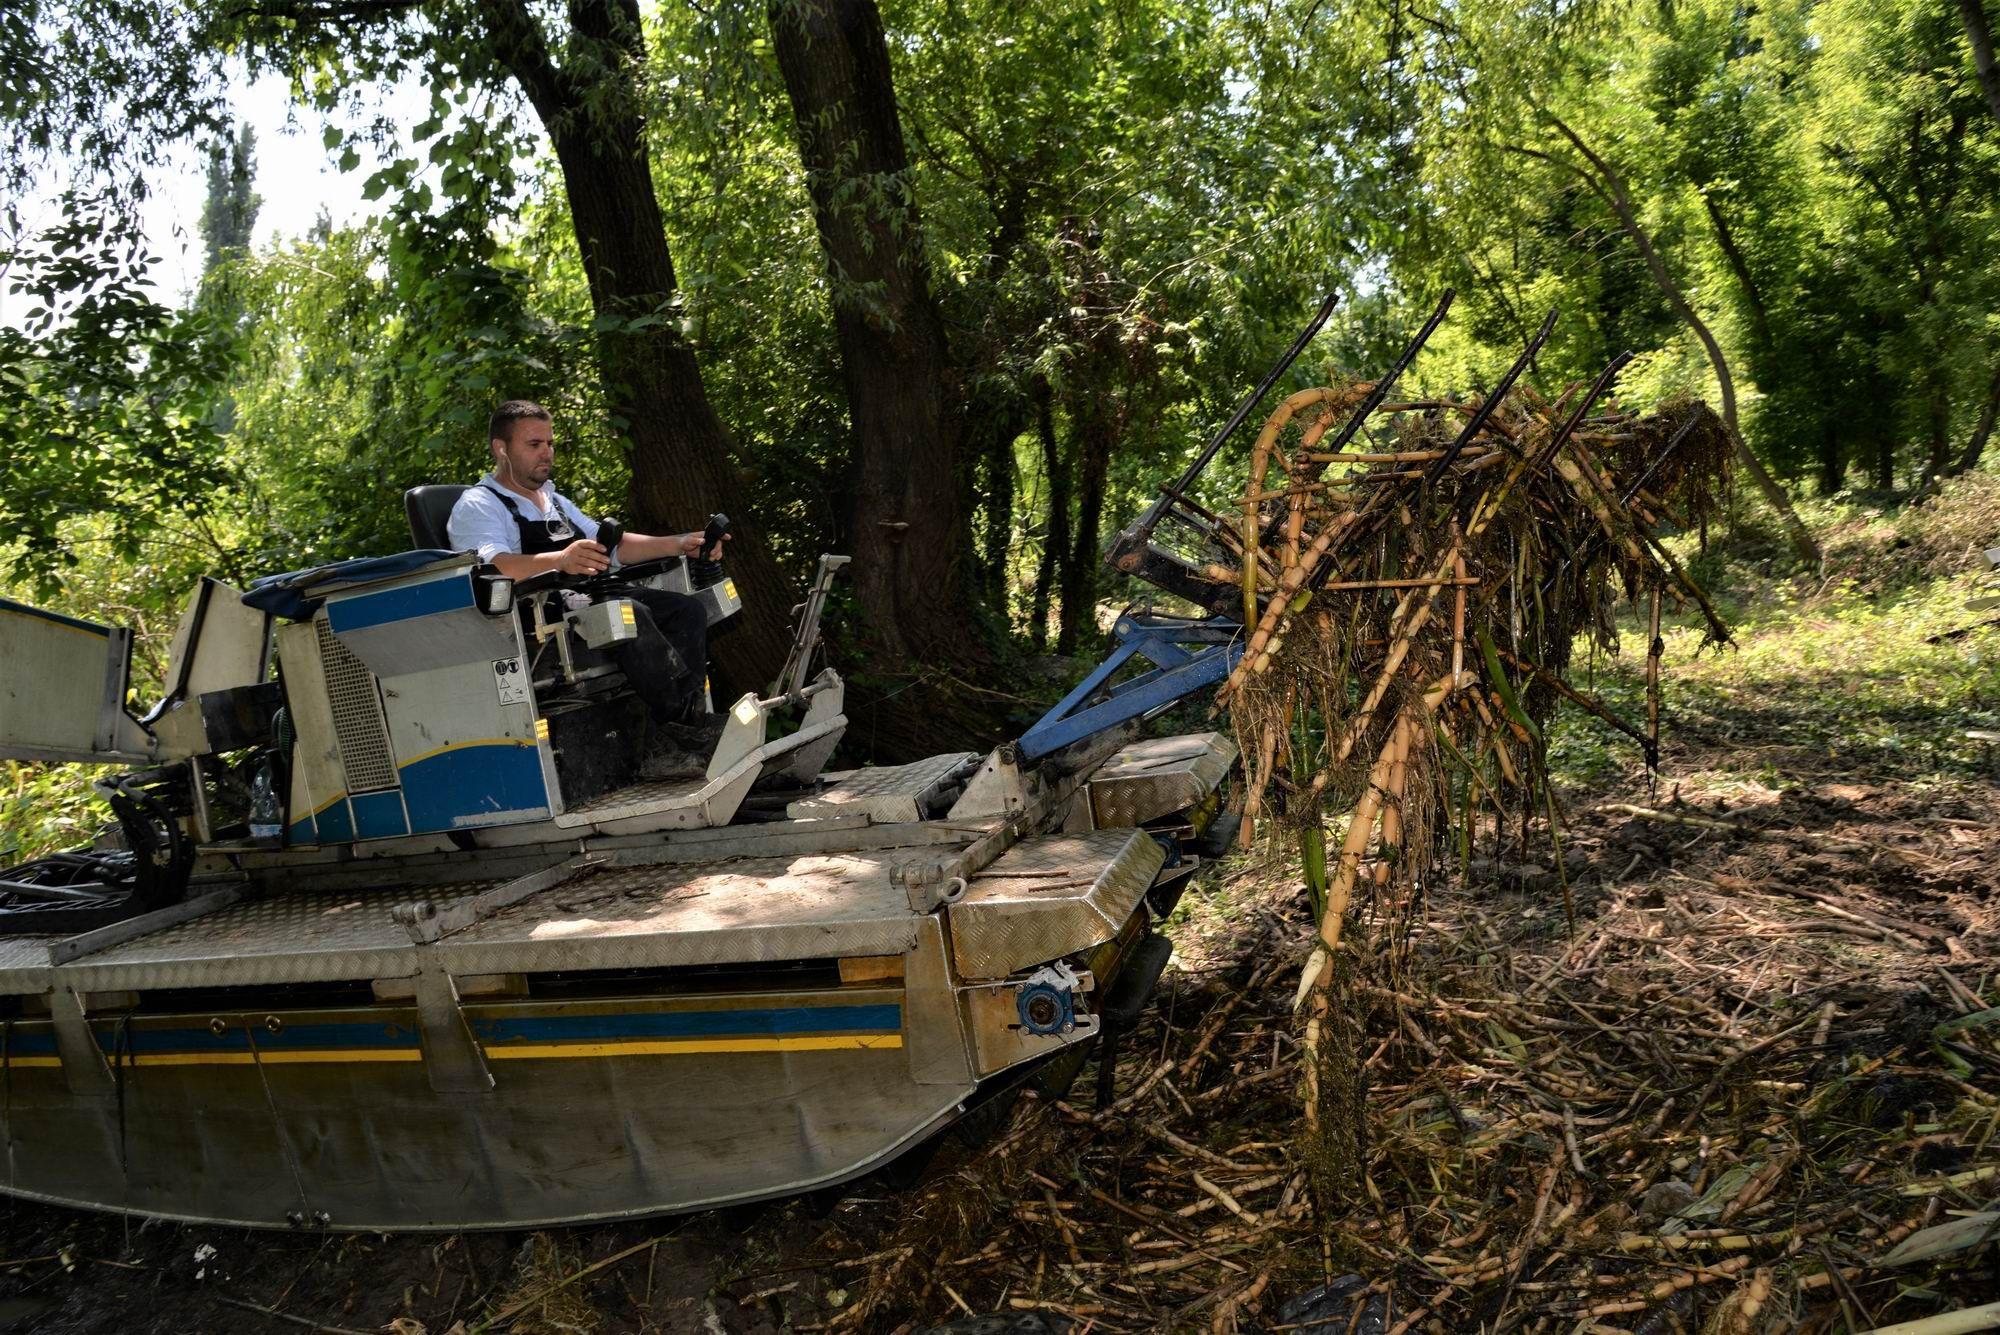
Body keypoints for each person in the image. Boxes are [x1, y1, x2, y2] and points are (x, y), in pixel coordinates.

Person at [446, 400, 725, 777]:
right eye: (534, 445)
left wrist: (680, 543)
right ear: (501, 449)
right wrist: (560, 559)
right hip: (538, 622)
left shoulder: (554, 502)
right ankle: (692, 731)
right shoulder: (479, 505)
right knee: (630, 614)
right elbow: (494, 567)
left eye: (549, 443)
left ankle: (669, 744)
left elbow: (613, 547)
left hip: (586, 602)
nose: (546, 452)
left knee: (686, 610)